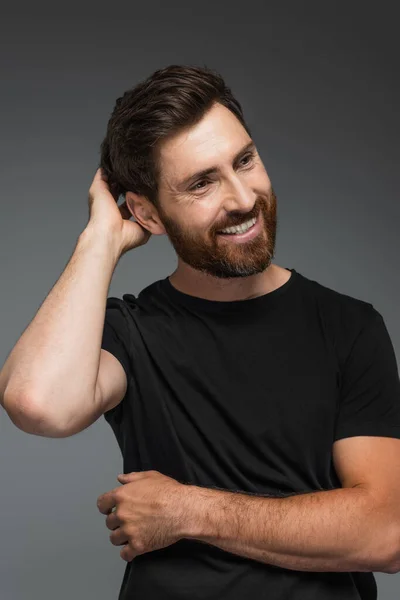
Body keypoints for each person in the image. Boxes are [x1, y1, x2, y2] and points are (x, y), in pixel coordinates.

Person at [1, 64, 400, 600]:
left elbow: (386, 531)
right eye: (201, 183)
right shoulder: (131, 332)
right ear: (149, 213)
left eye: (245, 160)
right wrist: (101, 237)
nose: (241, 198)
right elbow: (37, 403)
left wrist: (186, 510)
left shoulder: (350, 327)